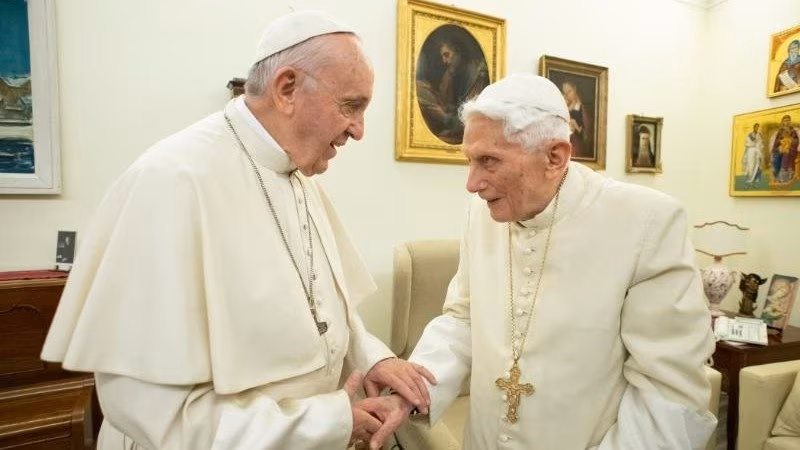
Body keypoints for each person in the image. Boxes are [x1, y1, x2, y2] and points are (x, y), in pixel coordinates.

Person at [40, 10, 433, 450]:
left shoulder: (298, 175)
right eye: (351, 105)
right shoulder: (173, 180)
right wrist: (331, 421)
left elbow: (322, 310)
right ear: (287, 89)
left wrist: (373, 356)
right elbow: (156, 415)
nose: (359, 130)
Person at [402, 73, 717, 448]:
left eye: (489, 161)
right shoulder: (479, 212)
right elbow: (462, 320)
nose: (472, 183)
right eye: (470, 161)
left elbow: (670, 392)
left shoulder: (646, 222)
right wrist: (412, 394)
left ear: (555, 157)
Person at [416, 29, 489, 145]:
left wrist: (444, 117)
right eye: (443, 57)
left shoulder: (477, 77)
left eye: (447, 55)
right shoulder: (451, 74)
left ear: (459, 52)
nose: (444, 61)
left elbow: (472, 118)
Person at [561, 80, 594, 158]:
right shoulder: (565, 107)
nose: (567, 95)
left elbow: (588, 133)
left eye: (569, 91)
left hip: (578, 146)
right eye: (565, 93)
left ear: (575, 89)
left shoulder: (584, 109)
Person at [768, 114, 799, 184]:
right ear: (782, 122)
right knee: (776, 156)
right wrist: (780, 143)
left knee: (786, 154)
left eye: (788, 120)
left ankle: (784, 178)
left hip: (791, 149)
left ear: (790, 122)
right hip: (782, 147)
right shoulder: (780, 131)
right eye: (785, 121)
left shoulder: (793, 131)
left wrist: (789, 140)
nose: (787, 122)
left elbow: (796, 141)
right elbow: (776, 142)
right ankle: (776, 175)